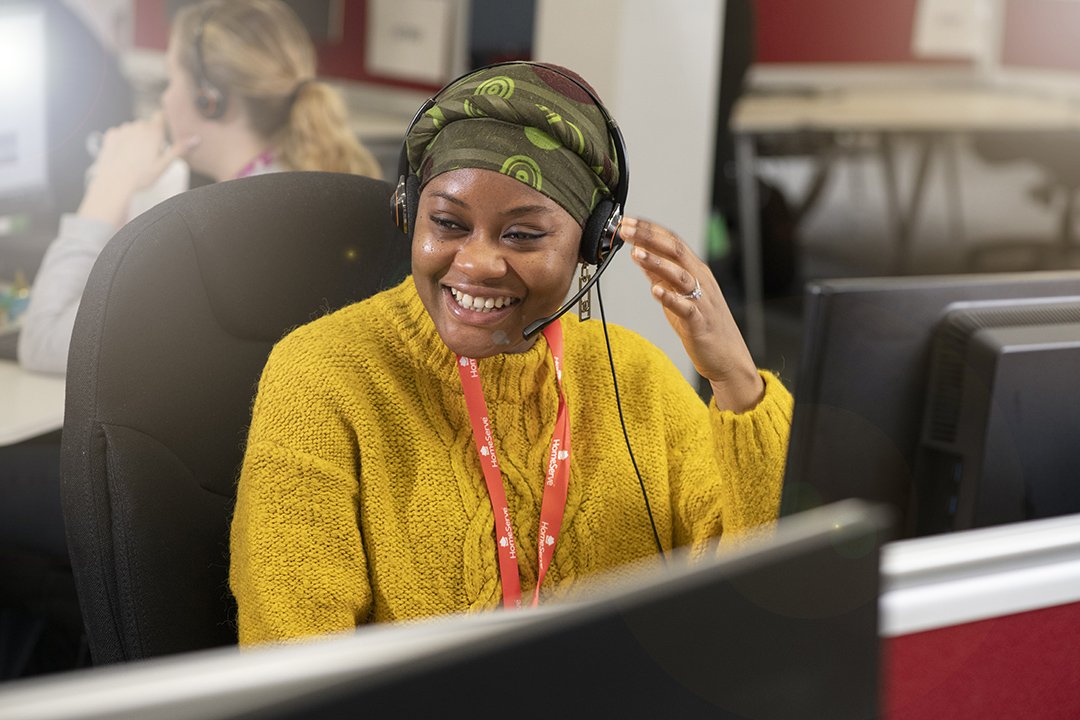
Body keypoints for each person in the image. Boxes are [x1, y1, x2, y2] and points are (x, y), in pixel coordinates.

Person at [229, 62, 793, 646]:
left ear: (592, 244)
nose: (475, 263)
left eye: (523, 235)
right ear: (408, 213)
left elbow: (770, 605)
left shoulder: (636, 377)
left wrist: (736, 382)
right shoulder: (321, 376)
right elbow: (292, 663)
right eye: (447, 223)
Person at [17, 0, 382, 374]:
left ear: (210, 100)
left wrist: (110, 184)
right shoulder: (312, 193)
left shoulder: (214, 242)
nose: (164, 99)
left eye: (170, 80)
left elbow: (44, 342)